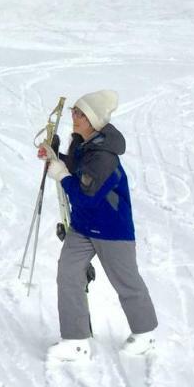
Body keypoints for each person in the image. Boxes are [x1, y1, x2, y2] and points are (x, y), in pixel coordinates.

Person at [38, 89, 158, 360]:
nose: (73, 116)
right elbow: (76, 169)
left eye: (79, 113)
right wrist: (56, 156)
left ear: (93, 119)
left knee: (126, 282)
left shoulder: (104, 156)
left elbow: (86, 194)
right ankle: (75, 340)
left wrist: (62, 176)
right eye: (74, 111)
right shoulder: (83, 143)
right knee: (68, 274)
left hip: (111, 229)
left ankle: (145, 333)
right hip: (82, 226)